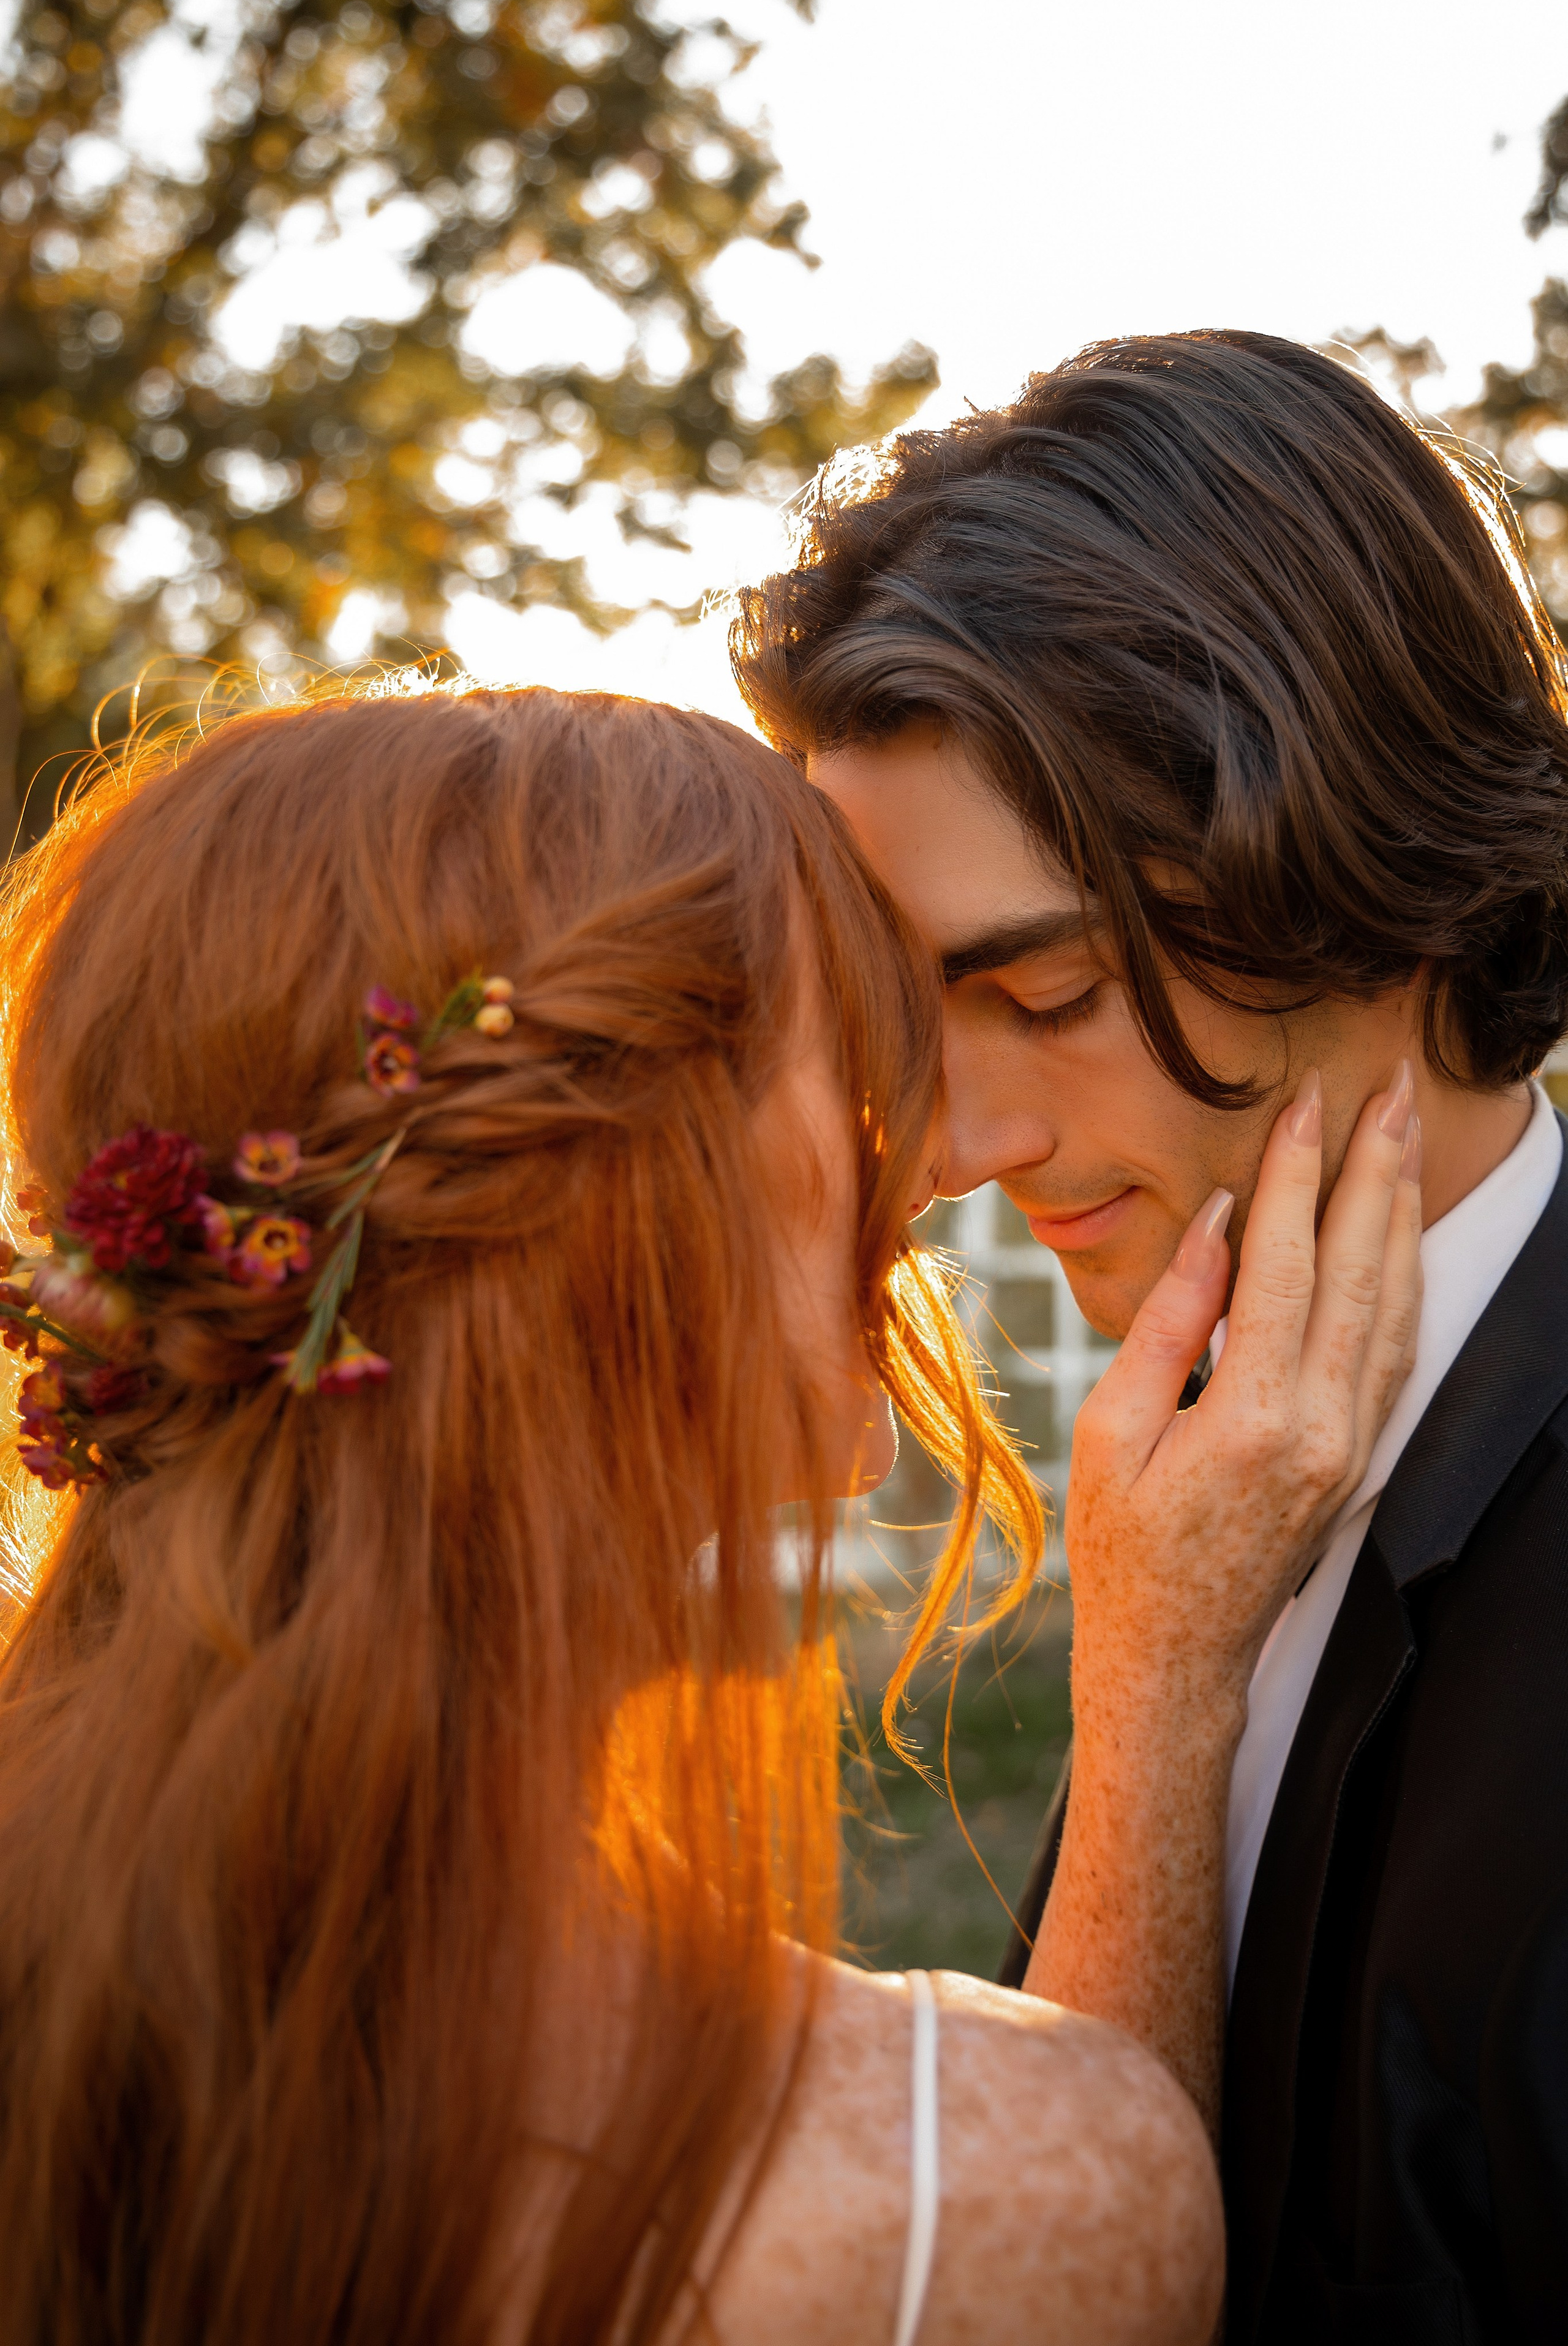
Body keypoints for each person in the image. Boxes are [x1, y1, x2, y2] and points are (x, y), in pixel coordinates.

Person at [0, 676, 1418, 2346]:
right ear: (651, 1200)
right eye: (871, 1046)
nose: (941, 1140)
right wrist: (1165, 1684)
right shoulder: (974, 2201)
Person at [732, 327, 1568, 2343]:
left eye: (1051, 986)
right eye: (909, 1019)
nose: (949, 1145)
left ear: (1360, 846)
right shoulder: (1182, 1484)